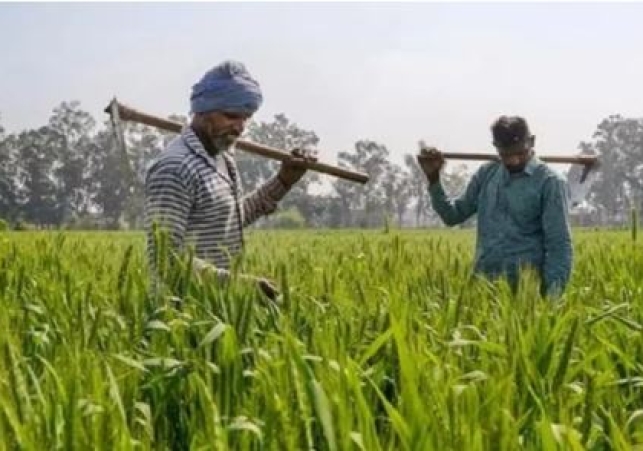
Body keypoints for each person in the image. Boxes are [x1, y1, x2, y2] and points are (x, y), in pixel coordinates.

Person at [144, 60, 316, 300]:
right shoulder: (176, 168)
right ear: (203, 111)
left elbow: (230, 219)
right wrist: (237, 284)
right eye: (231, 116)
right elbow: (164, 258)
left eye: (246, 118)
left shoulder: (221, 158)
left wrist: (284, 181)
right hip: (180, 312)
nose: (240, 127)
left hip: (217, 305)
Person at [417, 115, 573, 297]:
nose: (513, 160)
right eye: (506, 155)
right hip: (482, 287)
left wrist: (551, 300)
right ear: (496, 147)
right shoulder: (486, 175)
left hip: (525, 294)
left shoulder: (549, 182)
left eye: (519, 153)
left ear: (531, 142)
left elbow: (559, 245)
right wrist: (433, 178)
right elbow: (453, 216)